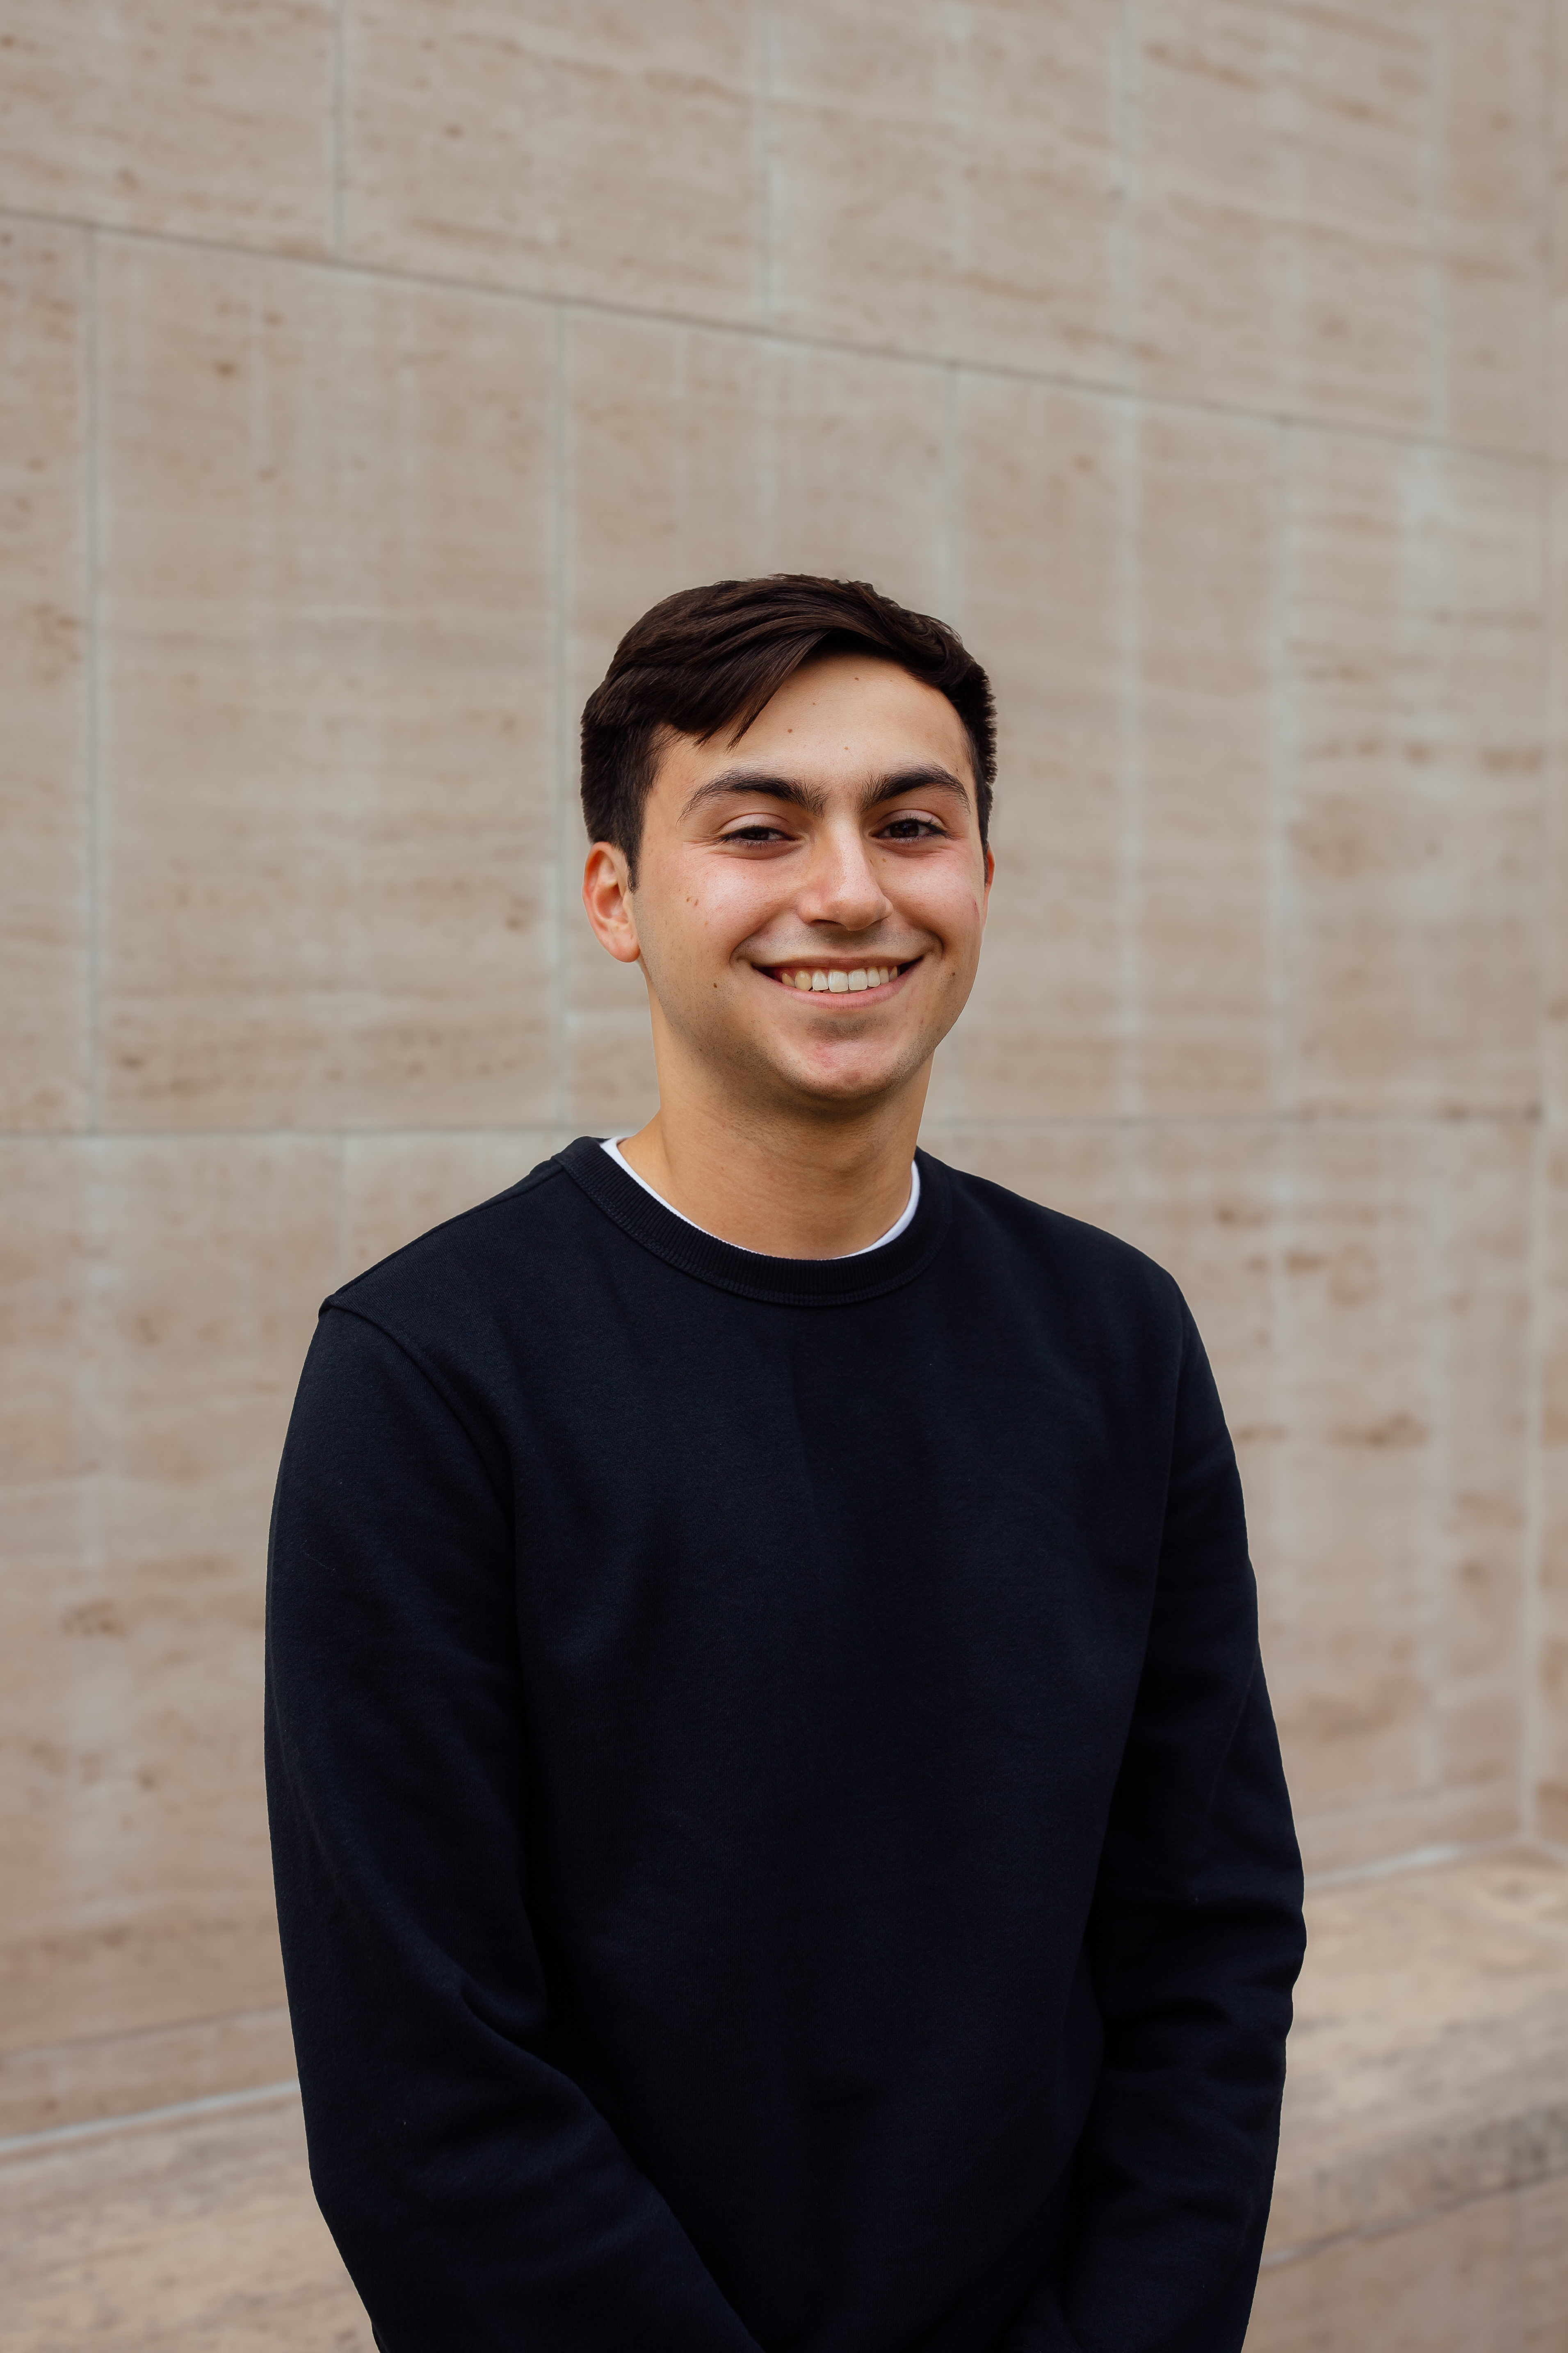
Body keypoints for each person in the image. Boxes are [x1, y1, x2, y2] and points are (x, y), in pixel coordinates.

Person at [265, 574, 1306, 2353]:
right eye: (757, 827)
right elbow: (425, 2078)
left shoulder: (1114, 1337)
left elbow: (1203, 1940)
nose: (848, 889)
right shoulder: (432, 1375)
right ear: (617, 898)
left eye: (912, 823)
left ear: (980, 880)